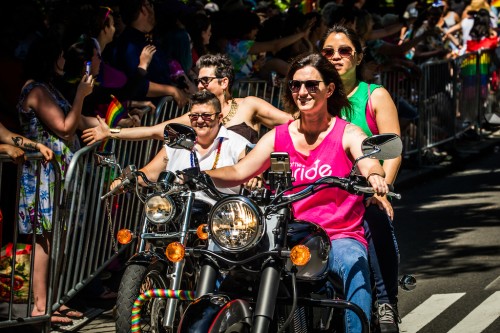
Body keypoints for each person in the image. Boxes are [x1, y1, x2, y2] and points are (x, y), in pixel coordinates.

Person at [205, 53, 390, 333]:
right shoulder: (278, 136)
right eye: (295, 85)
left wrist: (374, 175)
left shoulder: (346, 132)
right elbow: (241, 171)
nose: (302, 92)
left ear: (329, 89)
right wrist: (201, 174)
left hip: (337, 234)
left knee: (355, 264)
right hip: (286, 234)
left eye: (311, 85)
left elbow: (367, 158)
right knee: (231, 256)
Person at [321, 25, 402, 333]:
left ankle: (385, 301)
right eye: (329, 52)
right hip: (322, 194)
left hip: (363, 191)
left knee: (375, 215)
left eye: (345, 51)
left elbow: (392, 151)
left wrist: (381, 191)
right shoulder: (313, 99)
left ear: (357, 58)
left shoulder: (374, 95)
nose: (336, 57)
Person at [17, 28, 94, 324]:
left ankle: (55, 301)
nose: (64, 59)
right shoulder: (36, 90)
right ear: (49, 58)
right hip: (44, 175)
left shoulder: (48, 87)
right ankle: (41, 306)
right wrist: (80, 95)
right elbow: (64, 126)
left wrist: (113, 125)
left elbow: (79, 121)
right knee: (45, 240)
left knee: (59, 239)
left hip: (59, 174)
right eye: (60, 54)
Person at [81, 53, 293, 145]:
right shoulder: (196, 116)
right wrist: (111, 133)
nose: (200, 86)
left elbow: (291, 122)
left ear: (224, 82)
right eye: (198, 81)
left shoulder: (249, 105)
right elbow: (154, 131)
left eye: (206, 80)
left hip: (246, 195)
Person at [110, 90, 251, 195]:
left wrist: (255, 177)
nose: (200, 120)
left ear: (219, 118)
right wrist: (126, 180)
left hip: (220, 219)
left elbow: (246, 169)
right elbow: (150, 172)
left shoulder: (237, 142)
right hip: (176, 214)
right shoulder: (177, 142)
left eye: (206, 116)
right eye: (194, 116)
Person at [109, 0, 189, 107]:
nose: (153, 9)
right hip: (145, 116)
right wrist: (171, 90)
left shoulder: (145, 40)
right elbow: (137, 84)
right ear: (143, 9)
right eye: (150, 5)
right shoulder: (129, 45)